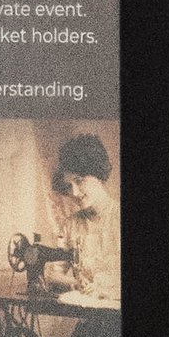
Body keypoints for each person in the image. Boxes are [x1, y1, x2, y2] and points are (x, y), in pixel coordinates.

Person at [49, 128, 117, 303]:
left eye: (79, 181)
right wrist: (76, 282)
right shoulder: (70, 225)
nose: (75, 193)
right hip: (90, 313)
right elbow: (54, 275)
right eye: (69, 186)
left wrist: (109, 290)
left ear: (98, 175)